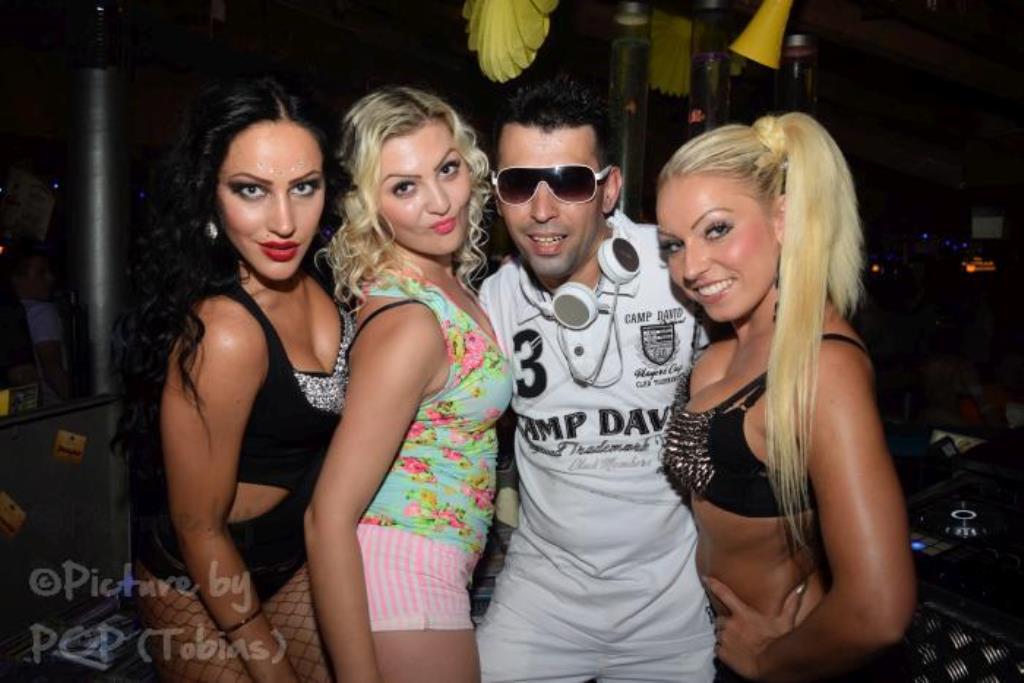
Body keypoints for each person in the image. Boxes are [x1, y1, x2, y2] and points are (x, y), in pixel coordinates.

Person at [656, 112, 916, 682]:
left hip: (789, 663)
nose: (690, 268)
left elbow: (879, 610)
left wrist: (769, 662)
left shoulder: (824, 366)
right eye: (673, 244)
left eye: (716, 229)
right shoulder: (732, 343)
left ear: (784, 218)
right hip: (711, 645)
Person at [474, 75, 715, 682]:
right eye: (519, 184)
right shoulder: (493, 301)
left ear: (609, 190)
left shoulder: (677, 271)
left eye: (570, 182)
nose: (542, 211)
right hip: (539, 606)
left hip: (671, 610)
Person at [115, 74, 350, 682]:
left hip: (294, 560)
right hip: (197, 581)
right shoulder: (224, 331)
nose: (284, 222)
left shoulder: (329, 281)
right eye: (251, 190)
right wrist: (271, 670)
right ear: (210, 195)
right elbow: (199, 528)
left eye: (304, 187)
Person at [305, 86, 512, 683]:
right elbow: (327, 517)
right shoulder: (411, 323)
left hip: (438, 566)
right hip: (405, 573)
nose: (440, 201)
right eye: (404, 187)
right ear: (368, 205)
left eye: (447, 169)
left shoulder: (443, 283)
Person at [8, 241, 69, 404]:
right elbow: (52, 369)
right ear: (17, 278)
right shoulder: (42, 312)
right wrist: (78, 404)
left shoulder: (11, 314)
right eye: (42, 272)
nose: (50, 278)